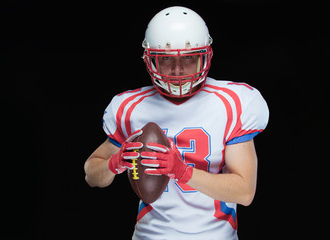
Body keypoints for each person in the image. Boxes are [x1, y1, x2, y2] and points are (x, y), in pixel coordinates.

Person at [84, 6, 269, 240]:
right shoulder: (130, 106)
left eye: (189, 59)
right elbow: (91, 175)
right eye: (167, 59)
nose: (178, 70)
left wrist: (181, 171)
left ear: (206, 56)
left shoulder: (233, 102)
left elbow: (244, 192)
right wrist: (115, 162)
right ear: (149, 60)